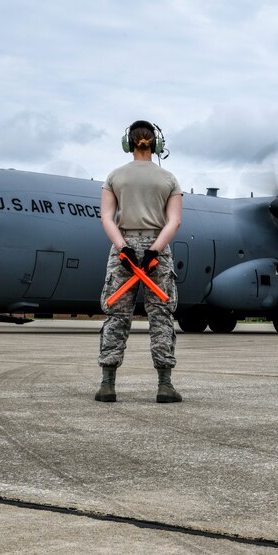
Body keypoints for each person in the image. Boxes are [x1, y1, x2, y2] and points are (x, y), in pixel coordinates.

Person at [95, 120, 183, 403]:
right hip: (158, 248)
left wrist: (123, 249)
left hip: (124, 250)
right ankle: (165, 386)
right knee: (162, 316)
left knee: (116, 315)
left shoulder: (114, 177)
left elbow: (107, 218)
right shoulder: (169, 179)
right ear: (156, 144)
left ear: (128, 144)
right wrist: (155, 251)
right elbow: (175, 221)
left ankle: (108, 385)